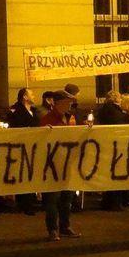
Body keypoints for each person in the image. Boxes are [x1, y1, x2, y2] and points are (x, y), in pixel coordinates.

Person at [40, 90, 81, 241]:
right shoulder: (46, 119)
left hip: (68, 163)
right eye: (66, 102)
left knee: (67, 198)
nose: (69, 105)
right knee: (52, 198)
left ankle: (65, 226)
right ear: (56, 103)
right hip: (52, 166)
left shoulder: (70, 118)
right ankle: (52, 229)